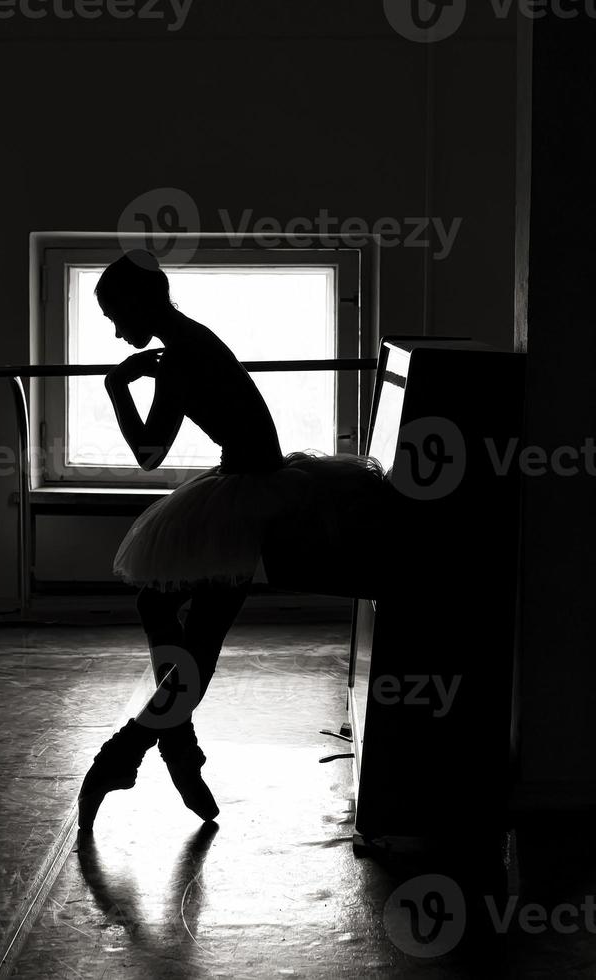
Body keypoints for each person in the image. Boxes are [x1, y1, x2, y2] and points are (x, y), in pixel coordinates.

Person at [76, 250, 383, 833]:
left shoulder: (181, 357)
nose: (117, 333)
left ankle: (129, 751)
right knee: (167, 613)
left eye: (117, 316)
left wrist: (117, 389)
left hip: (249, 494)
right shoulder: (190, 339)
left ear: (141, 304)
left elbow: (147, 456)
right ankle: (174, 746)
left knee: (198, 643)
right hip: (247, 484)